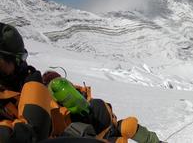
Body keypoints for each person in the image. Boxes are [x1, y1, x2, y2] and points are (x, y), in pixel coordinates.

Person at [0, 23, 161, 143]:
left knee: (126, 126)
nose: (22, 65)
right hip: (74, 133)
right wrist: (35, 89)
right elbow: (28, 135)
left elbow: (68, 108)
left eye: (22, 58)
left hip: (83, 126)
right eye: (18, 59)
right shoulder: (24, 90)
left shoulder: (23, 84)